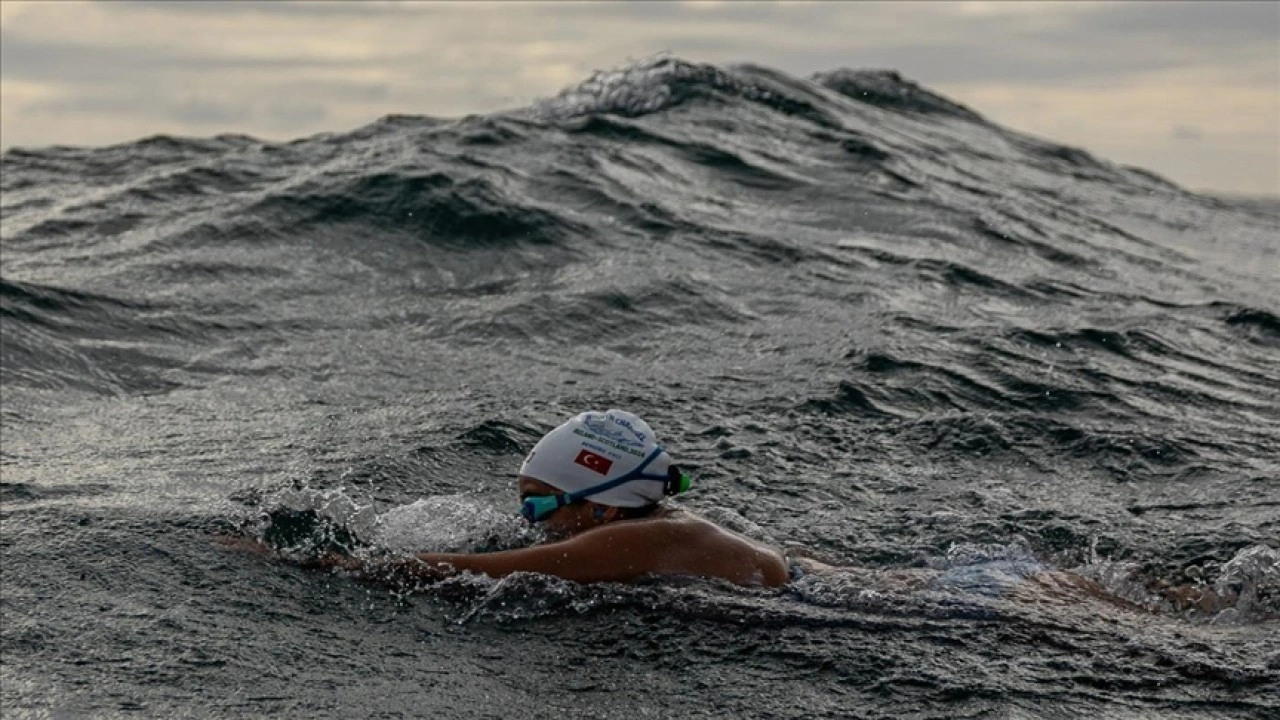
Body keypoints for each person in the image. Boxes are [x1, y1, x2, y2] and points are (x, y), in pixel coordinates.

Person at [236, 410, 792, 589]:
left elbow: (472, 572)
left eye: (539, 505)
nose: (529, 521)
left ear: (602, 506)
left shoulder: (638, 538)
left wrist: (311, 565)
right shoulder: (672, 525)